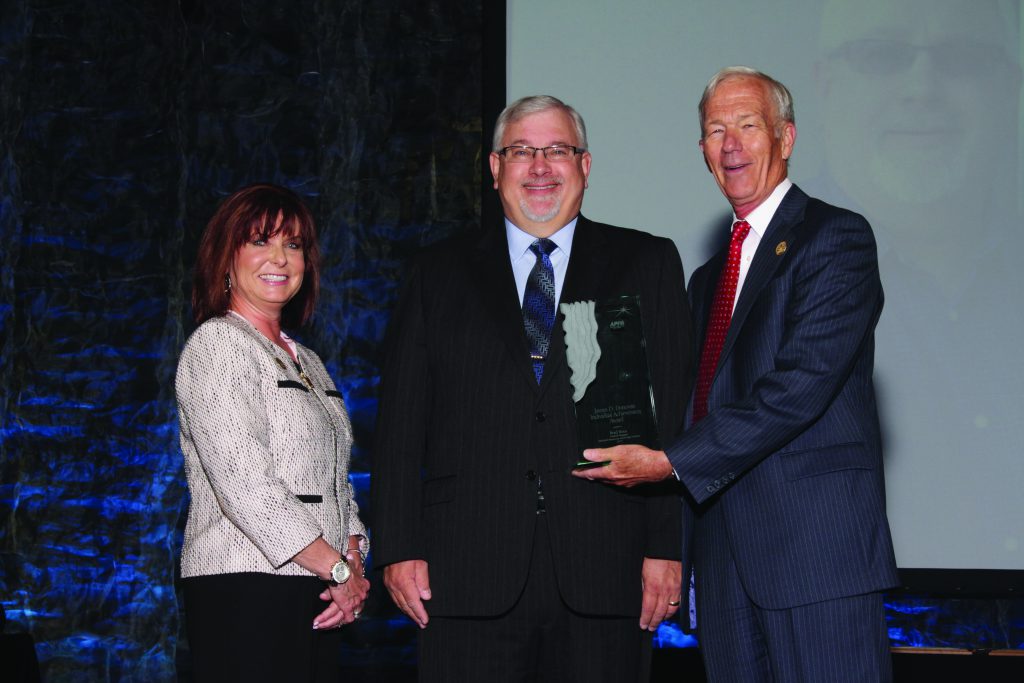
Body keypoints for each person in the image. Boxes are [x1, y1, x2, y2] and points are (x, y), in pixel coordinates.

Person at [576, 67, 899, 682]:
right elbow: (684, 400)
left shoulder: (837, 238)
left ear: (786, 136)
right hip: (723, 565)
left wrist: (667, 461)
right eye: (714, 130)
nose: (730, 144)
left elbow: (799, 387)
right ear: (701, 151)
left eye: (747, 126)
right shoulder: (706, 280)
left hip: (816, 558)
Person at [371, 96, 694, 682]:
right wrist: (397, 546)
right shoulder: (435, 273)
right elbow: (399, 425)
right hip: (465, 571)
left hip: (606, 567)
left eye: (557, 151)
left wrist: (667, 548)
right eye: (522, 151)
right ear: (495, 168)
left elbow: (671, 418)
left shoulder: (646, 261)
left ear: (586, 166)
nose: (540, 166)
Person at [175, 183, 370, 682]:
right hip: (245, 590)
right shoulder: (218, 344)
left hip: (315, 587)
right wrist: (339, 571)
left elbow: (336, 481)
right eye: (260, 241)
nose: (280, 258)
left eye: (294, 244)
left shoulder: (310, 361)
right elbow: (246, 487)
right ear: (225, 258)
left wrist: (353, 561)